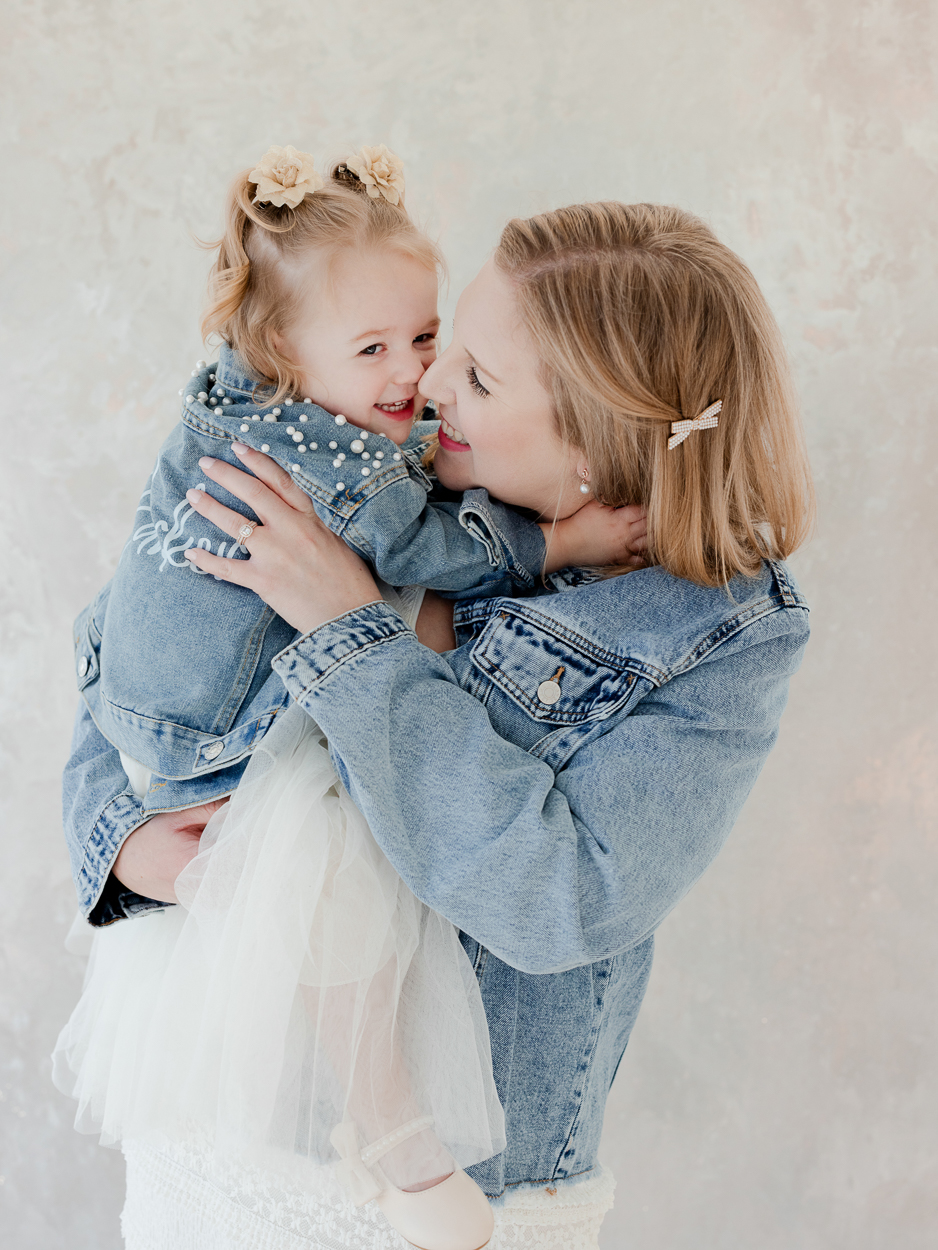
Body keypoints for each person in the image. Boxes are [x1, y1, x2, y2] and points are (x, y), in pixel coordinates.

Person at [60, 199, 812, 1249]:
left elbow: (557, 900)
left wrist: (346, 631)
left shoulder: (716, 631)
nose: (426, 382)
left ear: (601, 437)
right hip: (223, 1140)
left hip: (464, 1199)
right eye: (443, 341)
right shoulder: (364, 453)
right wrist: (121, 842)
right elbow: (139, 657)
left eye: (476, 375)